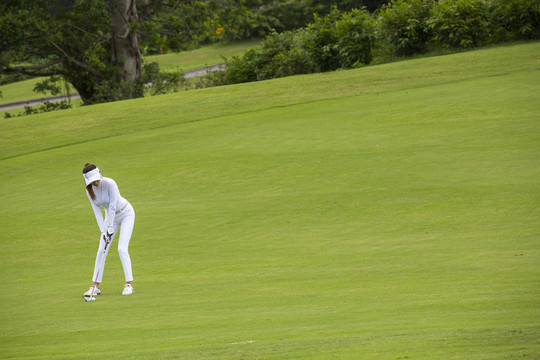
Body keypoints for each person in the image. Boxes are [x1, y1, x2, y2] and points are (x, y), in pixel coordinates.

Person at [82, 163, 135, 296]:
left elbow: (112, 206)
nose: (96, 182)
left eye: (97, 178)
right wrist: (103, 230)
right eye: (93, 181)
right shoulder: (89, 191)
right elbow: (97, 211)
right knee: (102, 250)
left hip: (126, 214)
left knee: (121, 248)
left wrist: (110, 227)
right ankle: (96, 287)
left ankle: (129, 285)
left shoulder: (110, 183)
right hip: (109, 218)